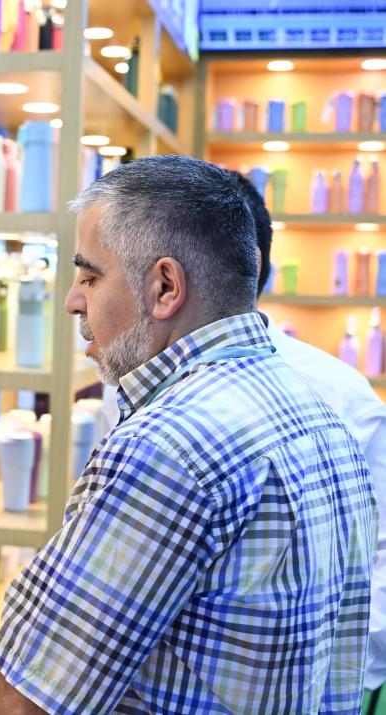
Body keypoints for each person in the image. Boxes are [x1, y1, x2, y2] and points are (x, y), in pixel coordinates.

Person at [0, 156, 377, 714]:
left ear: (164, 287)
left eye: (89, 276)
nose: (72, 300)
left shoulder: (168, 445)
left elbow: (23, 698)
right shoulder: (315, 408)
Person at [96, 171, 386, 707]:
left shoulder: (340, 396)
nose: (77, 300)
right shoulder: (134, 379)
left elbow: (376, 558)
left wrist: (322, 670)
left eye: (91, 277)